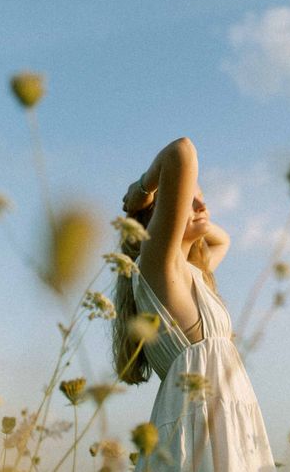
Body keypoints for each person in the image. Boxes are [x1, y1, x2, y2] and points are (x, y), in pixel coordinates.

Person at [112, 137, 276, 471]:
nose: (202, 206)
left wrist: (195, 209)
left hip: (226, 416)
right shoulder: (158, 265)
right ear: (158, 217)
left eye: (202, 200)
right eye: (190, 198)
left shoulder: (188, 275)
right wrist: (141, 191)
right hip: (198, 421)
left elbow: (222, 239)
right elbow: (181, 152)